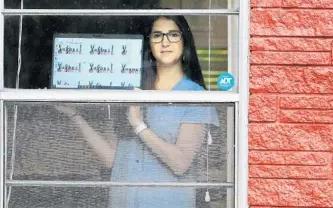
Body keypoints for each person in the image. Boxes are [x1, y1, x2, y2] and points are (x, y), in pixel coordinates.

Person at [57, 14, 219, 208]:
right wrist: (75, 115)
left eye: (173, 35)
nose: (165, 42)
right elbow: (112, 160)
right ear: (148, 43)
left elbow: (180, 163)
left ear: (184, 42)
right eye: (157, 35)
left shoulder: (195, 95)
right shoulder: (131, 89)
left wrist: (139, 126)